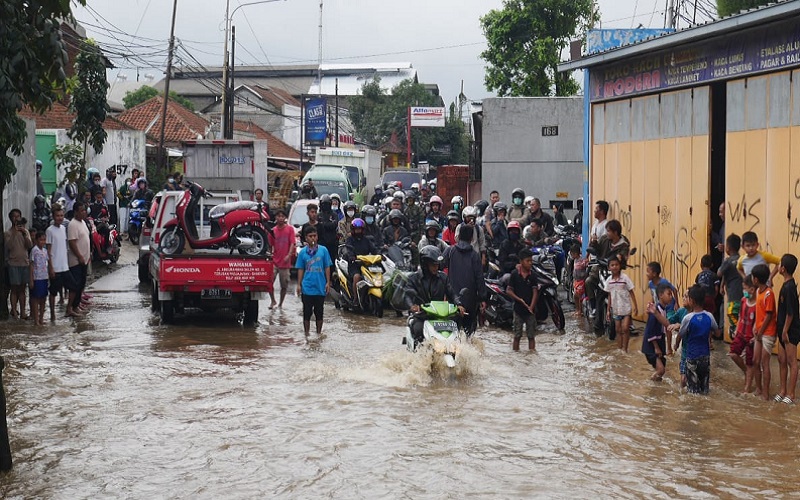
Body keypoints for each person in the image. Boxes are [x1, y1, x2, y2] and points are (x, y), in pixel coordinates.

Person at [404, 246, 465, 347]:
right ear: (425, 264)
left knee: (458, 321)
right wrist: (412, 306)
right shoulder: (413, 278)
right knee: (418, 329)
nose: (436, 268)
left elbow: (452, 293)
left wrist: (458, 304)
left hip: (441, 316)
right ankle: (420, 355)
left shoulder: (443, 277)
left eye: (437, 265)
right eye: (433, 265)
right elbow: (407, 295)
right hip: (422, 315)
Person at [443, 225, 485, 336]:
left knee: (450, 333)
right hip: (470, 301)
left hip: (453, 301)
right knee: (468, 336)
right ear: (472, 238)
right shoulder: (475, 256)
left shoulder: (450, 251)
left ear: (459, 236)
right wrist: (482, 298)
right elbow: (479, 278)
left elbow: (438, 266)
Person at [585, 219, 630, 324]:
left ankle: (627, 318)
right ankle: (593, 307)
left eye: (609, 231)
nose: (607, 233)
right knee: (589, 281)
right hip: (601, 268)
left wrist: (620, 258)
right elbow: (595, 249)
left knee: (623, 290)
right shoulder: (604, 239)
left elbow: (623, 256)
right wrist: (594, 242)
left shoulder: (624, 243)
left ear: (615, 232)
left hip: (616, 271)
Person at [678, 285, 718, 395]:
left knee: (693, 392)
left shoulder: (688, 318)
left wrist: (676, 345)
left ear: (692, 301)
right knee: (705, 390)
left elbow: (681, 334)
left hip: (692, 358)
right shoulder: (709, 316)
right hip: (705, 357)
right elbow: (717, 331)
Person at [295, 226, 331, 337]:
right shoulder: (302, 253)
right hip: (307, 287)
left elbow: (327, 267)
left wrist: (328, 282)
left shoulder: (323, 250)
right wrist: (299, 284)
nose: (312, 238)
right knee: (307, 312)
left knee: (319, 312)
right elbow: (301, 269)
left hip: (320, 287)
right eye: (310, 236)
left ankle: (318, 334)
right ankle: (306, 334)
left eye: (314, 236)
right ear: (306, 238)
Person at [775, 254, 800, 404]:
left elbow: (791, 313)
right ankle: (782, 390)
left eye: (779, 264)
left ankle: (791, 394)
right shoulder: (785, 285)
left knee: (792, 361)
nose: (778, 266)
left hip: (790, 330)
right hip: (782, 329)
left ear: (783, 269)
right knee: (781, 359)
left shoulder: (790, 288)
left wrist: (785, 331)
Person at [752, 263, 777, 401]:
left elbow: (769, 315)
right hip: (759, 331)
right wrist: (756, 327)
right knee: (756, 361)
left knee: (764, 362)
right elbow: (759, 312)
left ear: (756, 280)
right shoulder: (758, 292)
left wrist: (760, 331)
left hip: (767, 332)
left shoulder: (768, 293)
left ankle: (766, 394)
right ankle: (758, 388)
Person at [506, 248, 539, 351]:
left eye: (531, 261)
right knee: (517, 336)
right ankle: (516, 355)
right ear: (521, 262)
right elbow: (509, 291)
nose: (530, 263)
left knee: (531, 336)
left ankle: (532, 355)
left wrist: (531, 307)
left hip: (530, 311)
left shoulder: (532, 275)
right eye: (527, 261)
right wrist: (519, 299)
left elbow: (535, 292)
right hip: (518, 310)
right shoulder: (515, 274)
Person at [728, 275, 757, 394]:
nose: (743, 291)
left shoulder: (757, 304)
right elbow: (740, 316)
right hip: (740, 333)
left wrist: (756, 337)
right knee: (733, 354)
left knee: (750, 363)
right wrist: (736, 329)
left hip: (751, 337)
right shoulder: (743, 300)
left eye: (745, 288)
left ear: (752, 289)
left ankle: (747, 388)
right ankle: (746, 371)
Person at [606, 256, 638, 352]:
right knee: (618, 330)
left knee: (625, 329)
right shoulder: (609, 281)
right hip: (616, 309)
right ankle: (620, 349)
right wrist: (608, 310)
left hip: (626, 309)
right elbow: (609, 296)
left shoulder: (625, 278)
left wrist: (635, 306)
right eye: (612, 265)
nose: (615, 267)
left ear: (620, 266)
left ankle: (625, 349)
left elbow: (631, 291)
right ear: (609, 267)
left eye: (616, 264)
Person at [5, 209, 33, 319]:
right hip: (13, 263)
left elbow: (29, 245)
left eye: (18, 216)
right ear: (11, 218)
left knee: (22, 289)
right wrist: (15, 233)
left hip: (24, 263)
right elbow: (9, 247)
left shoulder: (25, 231)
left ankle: (23, 312)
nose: (16, 218)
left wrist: (25, 234)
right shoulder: (8, 233)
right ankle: (14, 312)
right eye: (14, 216)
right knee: (14, 289)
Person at [643, 283, 673, 382]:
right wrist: (656, 347)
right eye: (669, 294)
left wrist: (668, 347)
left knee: (661, 371)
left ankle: (656, 391)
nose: (671, 297)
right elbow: (650, 330)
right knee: (661, 370)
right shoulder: (655, 311)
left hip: (658, 344)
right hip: (651, 346)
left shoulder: (663, 310)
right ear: (660, 295)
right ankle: (649, 384)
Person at [267, 209, 296, 309]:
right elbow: (270, 245)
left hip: (285, 262)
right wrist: (270, 255)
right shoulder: (273, 231)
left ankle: (280, 303)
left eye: (282, 216)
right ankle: (273, 301)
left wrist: (288, 255)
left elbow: (292, 243)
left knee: (284, 285)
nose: (280, 218)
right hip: (274, 261)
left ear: (285, 218)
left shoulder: (290, 229)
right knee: (269, 282)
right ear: (275, 218)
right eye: (278, 216)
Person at [67, 202, 91, 318]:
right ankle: (70, 307)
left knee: (81, 284)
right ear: (76, 212)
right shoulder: (73, 224)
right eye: (81, 210)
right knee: (75, 285)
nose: (84, 212)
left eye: (84, 210)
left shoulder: (83, 223)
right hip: (76, 261)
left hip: (84, 260)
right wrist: (80, 256)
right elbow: (72, 242)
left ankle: (76, 305)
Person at [46, 205, 70, 322]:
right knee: (53, 292)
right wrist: (50, 267)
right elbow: (48, 251)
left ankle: (69, 309)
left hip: (64, 266)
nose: (60, 218)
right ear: (53, 217)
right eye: (57, 216)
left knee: (73, 287)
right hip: (55, 266)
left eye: (61, 215)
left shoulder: (63, 229)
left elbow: (64, 247)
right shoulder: (49, 230)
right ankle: (52, 314)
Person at [718, 233, 743, 339]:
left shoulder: (728, 261)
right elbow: (728, 274)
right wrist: (722, 284)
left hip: (733, 295)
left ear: (728, 247)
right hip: (742, 295)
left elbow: (720, 273)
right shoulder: (741, 259)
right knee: (741, 318)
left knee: (733, 318)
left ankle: (737, 342)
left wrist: (721, 284)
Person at [345, 218, 378, 297]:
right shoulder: (350, 240)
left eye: (359, 229)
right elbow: (349, 250)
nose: (358, 231)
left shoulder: (366, 240)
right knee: (357, 277)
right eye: (356, 229)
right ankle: (356, 298)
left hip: (366, 264)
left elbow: (373, 249)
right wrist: (352, 257)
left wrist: (380, 255)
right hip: (354, 265)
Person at [669, 291, 691, 388]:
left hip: (696, 354)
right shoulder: (681, 311)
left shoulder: (699, 315)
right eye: (683, 296)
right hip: (685, 353)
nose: (683, 298)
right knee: (683, 380)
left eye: (686, 296)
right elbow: (669, 321)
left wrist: (680, 325)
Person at [29, 231, 49, 326]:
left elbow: (47, 264)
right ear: (36, 240)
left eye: (44, 240)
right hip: (36, 277)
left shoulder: (45, 251)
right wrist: (31, 279)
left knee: (43, 299)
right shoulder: (34, 250)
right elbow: (31, 265)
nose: (43, 242)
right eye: (41, 240)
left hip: (44, 277)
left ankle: (41, 318)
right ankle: (36, 320)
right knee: (35, 299)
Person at [316, 195, 339, 273]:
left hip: (332, 243)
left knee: (331, 262)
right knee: (320, 262)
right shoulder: (318, 215)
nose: (325, 206)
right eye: (324, 204)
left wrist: (324, 224)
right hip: (321, 242)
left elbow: (334, 225)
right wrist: (326, 224)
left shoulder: (334, 214)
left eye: (327, 204)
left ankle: (331, 279)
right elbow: (318, 227)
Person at [571, 244, 589, 316]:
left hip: (581, 281)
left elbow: (586, 265)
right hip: (576, 280)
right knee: (575, 296)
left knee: (578, 296)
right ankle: (577, 309)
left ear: (575, 253)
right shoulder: (575, 260)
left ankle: (580, 311)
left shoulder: (582, 260)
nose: (571, 256)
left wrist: (586, 260)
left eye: (572, 254)